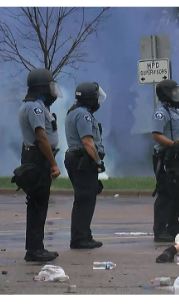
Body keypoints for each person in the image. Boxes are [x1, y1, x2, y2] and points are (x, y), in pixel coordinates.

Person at [15, 68, 63, 261]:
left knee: (39, 204)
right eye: (50, 86)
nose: (53, 91)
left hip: (37, 157)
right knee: (37, 204)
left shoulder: (38, 106)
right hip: (37, 158)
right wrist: (53, 164)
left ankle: (36, 247)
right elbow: (42, 138)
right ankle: (34, 250)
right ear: (42, 87)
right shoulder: (34, 107)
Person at [63, 82, 108, 249]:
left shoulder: (75, 112)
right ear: (90, 99)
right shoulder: (83, 115)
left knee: (86, 198)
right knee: (84, 199)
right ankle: (80, 239)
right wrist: (99, 161)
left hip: (78, 159)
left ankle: (84, 235)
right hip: (82, 160)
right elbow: (88, 142)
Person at [151, 79, 179, 243]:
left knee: (177, 193)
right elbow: (156, 135)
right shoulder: (161, 112)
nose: (177, 96)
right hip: (166, 158)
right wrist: (173, 144)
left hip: (177, 159)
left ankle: (173, 227)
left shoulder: (175, 111)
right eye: (174, 93)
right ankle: (160, 231)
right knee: (165, 194)